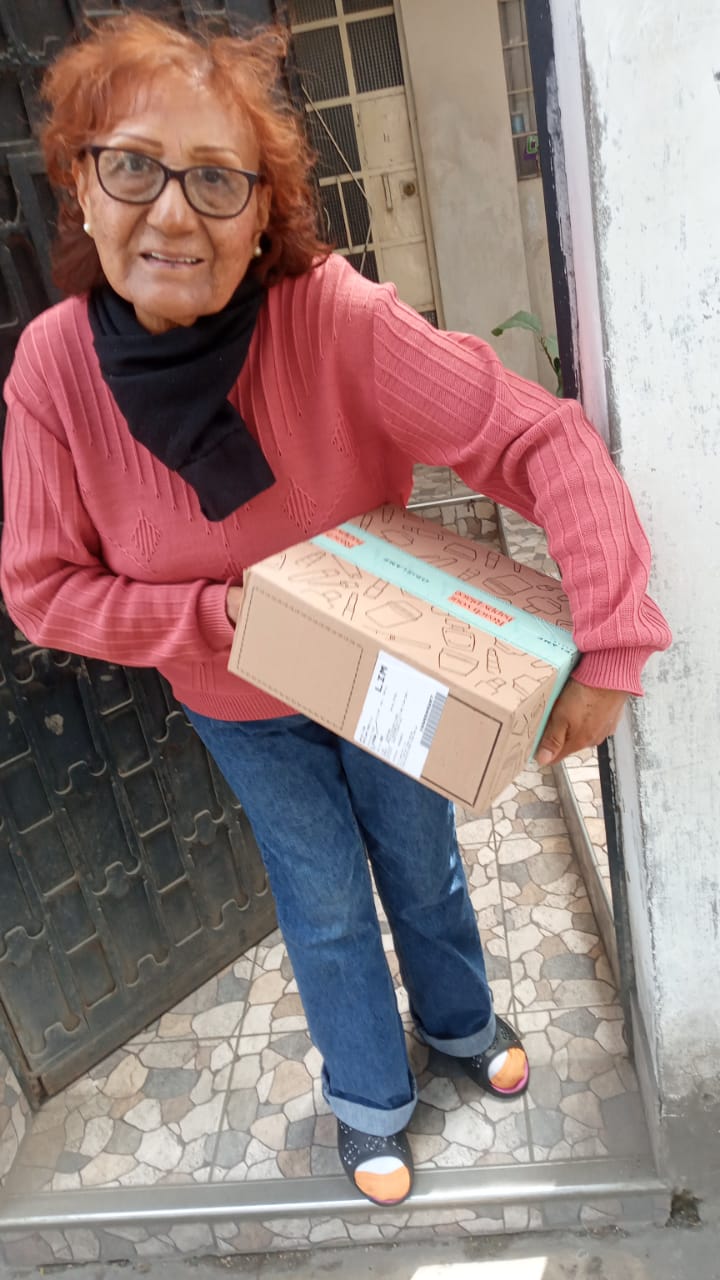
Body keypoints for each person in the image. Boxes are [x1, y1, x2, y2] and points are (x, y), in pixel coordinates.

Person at [0, 14, 670, 1208]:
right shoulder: (54, 368)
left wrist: (613, 636)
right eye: (134, 167)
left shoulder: (329, 317)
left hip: (390, 670)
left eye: (216, 179)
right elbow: (43, 588)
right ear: (81, 189)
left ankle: (461, 1023)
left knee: (422, 857)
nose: (173, 214)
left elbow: (539, 437)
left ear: (263, 213)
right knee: (320, 895)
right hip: (238, 700)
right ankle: (369, 1093)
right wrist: (224, 616)